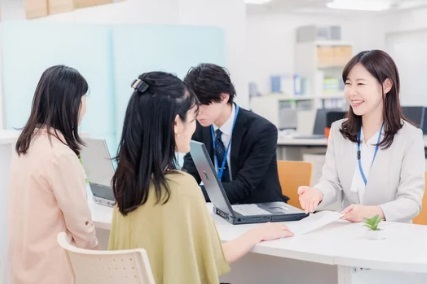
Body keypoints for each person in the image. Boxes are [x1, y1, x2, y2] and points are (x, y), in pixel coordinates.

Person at [108, 71, 293, 284]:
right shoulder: (180, 187)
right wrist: (256, 234)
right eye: (193, 117)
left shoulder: (125, 181)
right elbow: (212, 260)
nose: (196, 124)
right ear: (176, 124)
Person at [298, 50, 425, 223]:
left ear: (386, 85)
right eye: (348, 84)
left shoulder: (410, 137)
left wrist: (373, 212)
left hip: (392, 235)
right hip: (349, 231)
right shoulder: (338, 131)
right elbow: (332, 182)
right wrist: (317, 192)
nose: (351, 92)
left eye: (360, 84)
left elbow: (411, 202)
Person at [8, 65, 98, 284]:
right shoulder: (60, 155)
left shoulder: (25, 146)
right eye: (83, 98)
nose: (84, 106)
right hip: (54, 272)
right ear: (71, 103)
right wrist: (96, 256)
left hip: (23, 269)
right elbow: (81, 225)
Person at [182, 63, 286, 204]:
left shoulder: (262, 131)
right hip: (219, 209)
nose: (197, 112)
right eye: (193, 106)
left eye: (203, 105)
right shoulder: (198, 127)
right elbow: (191, 172)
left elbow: (244, 186)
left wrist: (189, 193)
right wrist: (177, 186)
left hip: (259, 209)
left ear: (224, 97)